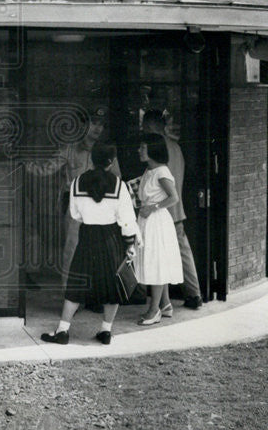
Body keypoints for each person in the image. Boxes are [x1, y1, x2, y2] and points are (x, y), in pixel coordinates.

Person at [40, 143, 141, 345]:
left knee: (76, 283)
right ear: (111, 163)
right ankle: (105, 331)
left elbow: (75, 214)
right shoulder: (120, 186)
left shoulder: (77, 183)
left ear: (92, 159)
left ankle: (62, 330)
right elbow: (127, 221)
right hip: (111, 237)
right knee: (112, 285)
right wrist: (130, 244)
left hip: (86, 236)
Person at [27, 106, 113, 286]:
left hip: (101, 206)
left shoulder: (106, 150)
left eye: (101, 125)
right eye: (93, 123)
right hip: (75, 206)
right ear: (82, 125)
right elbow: (45, 169)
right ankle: (71, 296)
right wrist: (23, 164)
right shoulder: (69, 149)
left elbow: (117, 179)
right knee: (72, 251)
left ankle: (94, 295)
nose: (98, 128)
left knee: (99, 251)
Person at [141, 109, 203, 310]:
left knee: (161, 254)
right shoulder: (175, 147)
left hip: (162, 213)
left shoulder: (157, 150)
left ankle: (158, 298)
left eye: (144, 125)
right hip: (176, 210)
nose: (142, 129)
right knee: (180, 251)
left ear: (151, 127)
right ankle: (191, 294)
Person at [134, 133, 183, 325]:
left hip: (157, 222)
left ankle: (154, 310)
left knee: (156, 263)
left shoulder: (162, 172)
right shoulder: (150, 170)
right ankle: (166, 304)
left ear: (153, 150)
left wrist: (152, 207)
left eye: (143, 147)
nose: (139, 150)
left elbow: (174, 198)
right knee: (156, 261)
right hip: (148, 221)